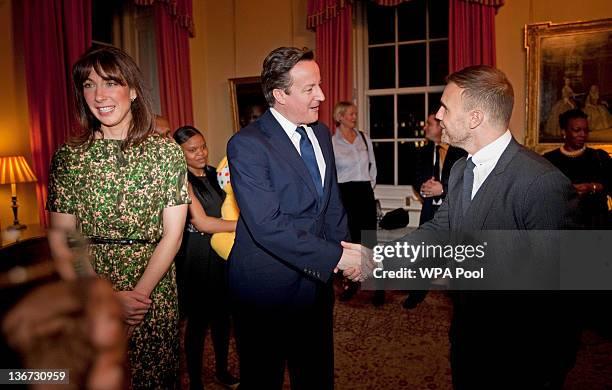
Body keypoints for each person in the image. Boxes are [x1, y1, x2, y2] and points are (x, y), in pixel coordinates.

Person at [393, 65, 580, 388]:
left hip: (522, 353)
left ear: (475, 118)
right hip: (468, 336)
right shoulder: (462, 169)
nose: (438, 116)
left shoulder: (541, 182)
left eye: (445, 108)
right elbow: (441, 229)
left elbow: (561, 291)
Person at [47, 45, 189, 389]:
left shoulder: (165, 151)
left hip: (152, 288)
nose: (100, 95)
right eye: (89, 85)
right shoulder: (69, 157)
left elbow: (173, 234)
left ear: (133, 90)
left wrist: (137, 299)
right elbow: (62, 238)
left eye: (111, 82)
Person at [226, 47, 365, 390]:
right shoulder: (246, 145)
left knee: (316, 376)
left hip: (315, 284)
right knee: (263, 379)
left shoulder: (319, 133)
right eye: (309, 89)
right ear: (279, 95)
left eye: (319, 85)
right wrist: (337, 256)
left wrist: (343, 251)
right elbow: (267, 225)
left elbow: (331, 203)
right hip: (265, 288)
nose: (321, 95)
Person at [173, 125, 239, 390]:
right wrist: (245, 226)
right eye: (192, 150)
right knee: (198, 323)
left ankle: (222, 371)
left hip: (223, 251)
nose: (200, 153)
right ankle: (196, 382)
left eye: (202, 146)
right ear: (179, 153)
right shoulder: (180, 181)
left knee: (223, 318)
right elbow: (203, 224)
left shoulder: (215, 174)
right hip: (197, 258)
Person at [403, 113, 466, 309]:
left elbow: (466, 179)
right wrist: (423, 188)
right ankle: (417, 292)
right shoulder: (423, 151)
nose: (425, 128)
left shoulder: (461, 150)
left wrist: (443, 188)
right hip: (430, 211)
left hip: (455, 212)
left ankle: (460, 295)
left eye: (429, 124)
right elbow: (415, 177)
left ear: (440, 126)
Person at [332, 101, 384, 306]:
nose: (354, 117)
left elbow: (373, 167)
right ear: (340, 117)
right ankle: (352, 284)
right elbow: (332, 174)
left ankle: (377, 287)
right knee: (352, 243)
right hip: (345, 195)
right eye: (351, 114)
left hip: (364, 193)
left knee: (371, 242)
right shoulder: (332, 142)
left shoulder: (364, 137)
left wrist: (368, 186)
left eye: (355, 114)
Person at [544, 109, 611, 228]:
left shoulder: (599, 157)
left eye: (585, 130)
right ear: (563, 131)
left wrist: (592, 187)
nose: (582, 134)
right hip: (563, 227)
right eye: (577, 130)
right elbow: (543, 194)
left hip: (596, 226)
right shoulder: (549, 160)